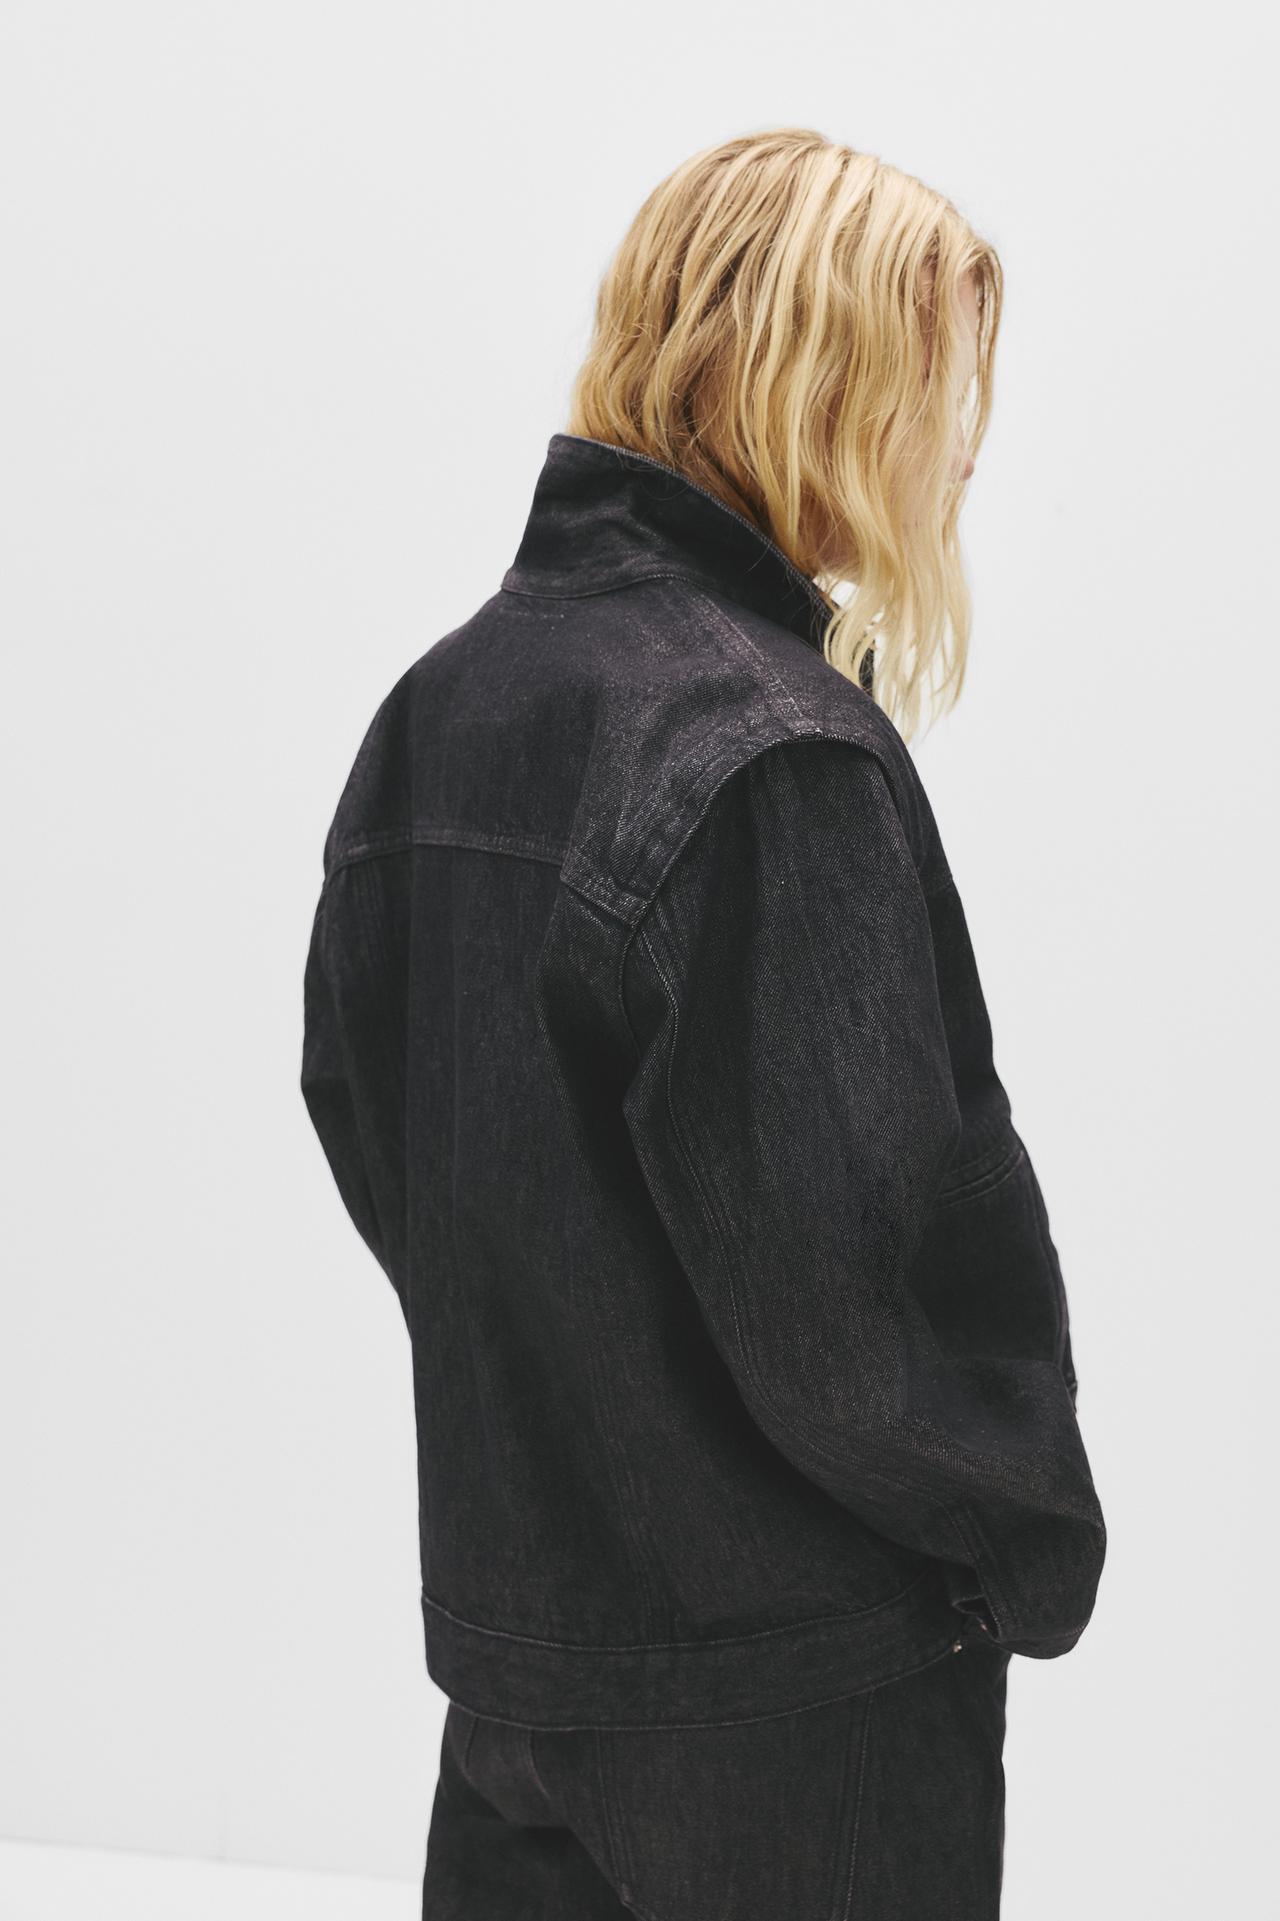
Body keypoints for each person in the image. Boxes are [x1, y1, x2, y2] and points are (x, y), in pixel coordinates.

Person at [300, 125, 1107, 1920]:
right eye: (933, 387)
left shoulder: (444, 705)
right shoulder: (771, 751)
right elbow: (846, 1299)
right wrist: (1025, 1531)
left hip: (521, 1668)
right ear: (820, 382)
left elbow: (370, 1116)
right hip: (799, 1707)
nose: (957, 450)